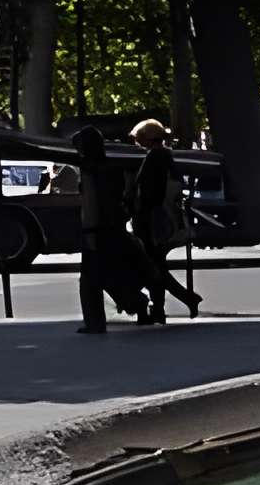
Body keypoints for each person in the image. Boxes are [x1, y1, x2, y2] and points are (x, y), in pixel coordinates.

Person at [126, 118, 201, 324]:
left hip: (152, 220)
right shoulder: (165, 156)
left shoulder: (155, 157)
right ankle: (165, 306)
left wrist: (137, 210)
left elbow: (150, 193)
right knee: (155, 266)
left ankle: (176, 302)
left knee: (152, 267)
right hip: (161, 219)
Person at [69, 127, 139, 334]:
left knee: (90, 280)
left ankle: (96, 321)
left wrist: (89, 230)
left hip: (97, 229)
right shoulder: (111, 167)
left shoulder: (89, 171)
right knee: (109, 272)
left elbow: (91, 204)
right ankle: (136, 302)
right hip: (113, 226)